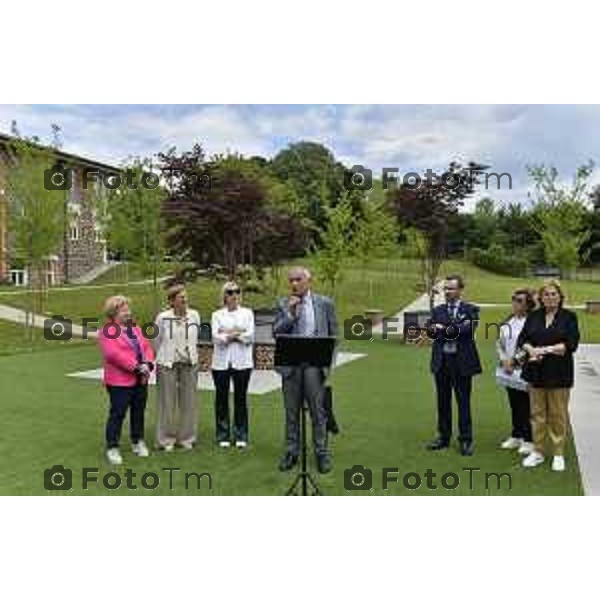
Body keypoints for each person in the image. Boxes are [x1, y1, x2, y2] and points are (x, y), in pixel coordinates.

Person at [273, 266, 338, 474]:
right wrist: (290, 314)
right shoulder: (283, 304)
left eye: (298, 279)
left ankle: (321, 452)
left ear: (308, 281)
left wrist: (328, 365)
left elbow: (334, 335)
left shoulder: (325, 303)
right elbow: (276, 332)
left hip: (314, 366)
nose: (294, 284)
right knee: (291, 413)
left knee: (318, 413)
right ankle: (291, 452)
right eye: (291, 280)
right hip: (291, 367)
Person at [517, 279, 580, 471]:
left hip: (559, 373)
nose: (550, 297)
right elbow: (523, 340)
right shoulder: (534, 316)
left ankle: (558, 452)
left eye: (554, 294)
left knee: (557, 414)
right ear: (540, 298)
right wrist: (530, 350)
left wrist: (543, 349)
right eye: (546, 294)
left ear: (560, 297)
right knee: (537, 414)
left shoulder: (569, 317)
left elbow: (570, 344)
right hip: (536, 372)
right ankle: (538, 451)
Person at [426, 274, 482, 456]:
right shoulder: (438, 310)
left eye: (451, 288)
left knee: (463, 401)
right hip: (441, 362)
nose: (448, 292)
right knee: (442, 402)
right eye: (446, 288)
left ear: (460, 290)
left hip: (462, 363)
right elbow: (431, 330)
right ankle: (443, 437)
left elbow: (468, 329)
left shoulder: (471, 309)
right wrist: (449, 329)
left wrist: (446, 329)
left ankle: (466, 440)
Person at [98, 295, 155, 465]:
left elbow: (146, 347)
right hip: (119, 382)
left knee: (138, 411)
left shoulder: (135, 329)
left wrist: (148, 364)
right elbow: (113, 354)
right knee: (118, 413)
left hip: (140, 379)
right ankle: (112, 447)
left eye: (128, 310)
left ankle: (137, 441)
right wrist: (136, 366)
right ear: (114, 313)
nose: (128, 313)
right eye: (124, 310)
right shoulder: (107, 331)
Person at [154, 284, 201, 451]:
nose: (185, 300)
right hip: (167, 363)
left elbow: (195, 338)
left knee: (189, 402)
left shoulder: (194, 315)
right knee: (166, 402)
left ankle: (187, 438)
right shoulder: (162, 317)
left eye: (186, 297)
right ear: (172, 301)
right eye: (181, 298)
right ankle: (165, 440)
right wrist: (162, 356)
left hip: (190, 363)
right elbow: (157, 340)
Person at [211, 281, 255, 449]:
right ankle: (223, 434)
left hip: (242, 363)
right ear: (224, 295)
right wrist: (237, 333)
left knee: (240, 398)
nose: (234, 295)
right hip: (221, 363)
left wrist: (228, 333)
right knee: (221, 399)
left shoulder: (247, 313)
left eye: (237, 291)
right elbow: (216, 338)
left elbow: (249, 337)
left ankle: (241, 434)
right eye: (230, 292)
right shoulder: (217, 315)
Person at [496, 288, 536, 455]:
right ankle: (516, 435)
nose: (515, 302)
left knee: (525, 404)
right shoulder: (509, 321)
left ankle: (529, 439)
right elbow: (499, 342)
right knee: (513, 403)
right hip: (508, 369)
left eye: (519, 300)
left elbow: (531, 345)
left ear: (528, 305)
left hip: (524, 368)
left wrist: (514, 361)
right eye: (513, 299)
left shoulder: (532, 322)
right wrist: (504, 359)